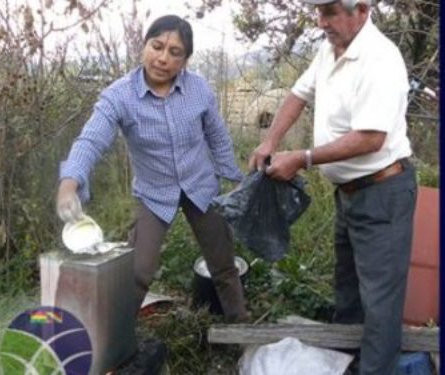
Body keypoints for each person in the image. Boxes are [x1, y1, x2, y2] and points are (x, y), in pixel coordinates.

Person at [249, 1, 417, 374]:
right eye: (319, 11)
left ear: (362, 10)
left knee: (381, 306)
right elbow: (297, 95)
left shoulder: (380, 59)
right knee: (349, 292)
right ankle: (345, 365)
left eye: (331, 11)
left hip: (383, 194)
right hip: (349, 193)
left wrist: (302, 157)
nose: (321, 21)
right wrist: (270, 142)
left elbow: (370, 138)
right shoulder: (328, 51)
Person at [56, 15, 249, 323]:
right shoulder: (119, 96)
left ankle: (242, 331)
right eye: (157, 46)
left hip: (201, 187)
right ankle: (117, 337)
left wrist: (237, 180)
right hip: (154, 192)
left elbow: (218, 136)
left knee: (224, 264)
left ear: (185, 60)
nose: (163, 58)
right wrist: (70, 183)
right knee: (138, 271)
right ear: (144, 46)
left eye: (175, 52)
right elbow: (90, 141)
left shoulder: (198, 90)